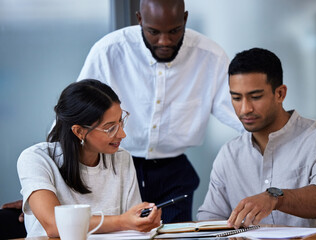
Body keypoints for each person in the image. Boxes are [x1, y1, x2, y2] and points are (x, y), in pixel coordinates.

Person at [77, 0, 243, 223]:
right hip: (114, 168)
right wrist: (45, 191)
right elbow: (76, 116)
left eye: (174, 31)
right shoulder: (108, 51)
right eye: (153, 32)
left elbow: (243, 118)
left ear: (184, 19)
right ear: (139, 20)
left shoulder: (210, 56)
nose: (165, 41)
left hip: (174, 173)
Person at [197, 48, 316, 230]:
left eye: (255, 97)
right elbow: (210, 218)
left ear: (280, 94)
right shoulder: (229, 154)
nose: (245, 108)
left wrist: (275, 198)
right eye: (237, 98)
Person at [17, 80, 161, 238]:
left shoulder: (121, 158)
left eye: (121, 121)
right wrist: (121, 221)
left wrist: (142, 221)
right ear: (79, 131)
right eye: (110, 127)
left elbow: (132, 226)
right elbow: (54, 225)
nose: (122, 134)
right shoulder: (36, 159)